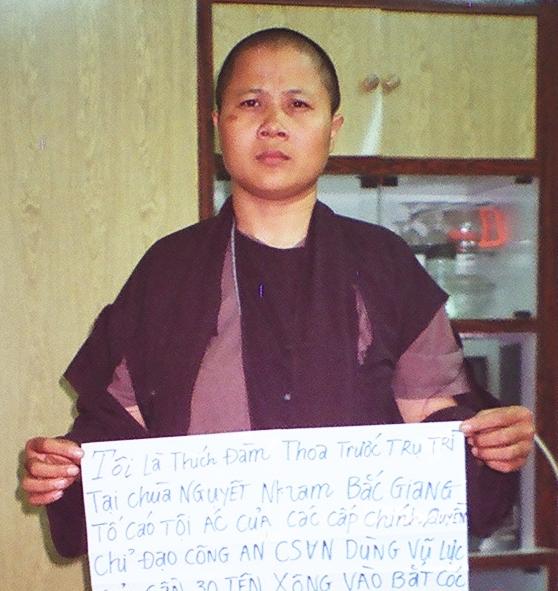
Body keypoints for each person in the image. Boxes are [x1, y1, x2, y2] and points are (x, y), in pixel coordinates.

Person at [21, 28, 535, 559]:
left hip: (356, 565)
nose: (273, 124)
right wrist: (65, 469)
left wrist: (490, 443)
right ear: (219, 126)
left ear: (332, 129)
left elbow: (435, 413)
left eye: (298, 104)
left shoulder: (384, 264)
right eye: (250, 103)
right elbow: (114, 427)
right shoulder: (167, 271)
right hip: (208, 565)